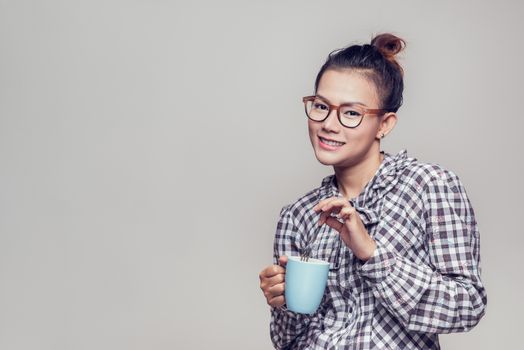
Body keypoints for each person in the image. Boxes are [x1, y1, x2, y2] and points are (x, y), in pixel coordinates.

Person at [258, 33, 487, 349]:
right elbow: (286, 341)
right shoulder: (299, 214)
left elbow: (467, 306)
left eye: (351, 112)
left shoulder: (428, 186)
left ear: (385, 124)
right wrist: (282, 303)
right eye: (321, 106)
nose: (328, 124)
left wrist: (371, 253)